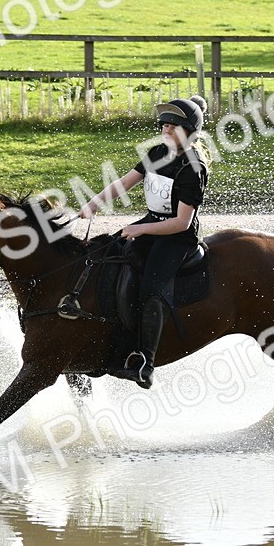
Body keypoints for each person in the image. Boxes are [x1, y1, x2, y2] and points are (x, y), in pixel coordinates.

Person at [79, 94, 210, 389]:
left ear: (189, 132)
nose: (165, 130)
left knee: (151, 288)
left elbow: (181, 223)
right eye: (164, 125)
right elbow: (125, 182)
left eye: (173, 127)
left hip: (177, 238)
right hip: (152, 224)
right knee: (107, 255)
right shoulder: (157, 153)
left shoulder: (192, 168)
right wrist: (96, 202)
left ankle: (145, 364)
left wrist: (141, 230)